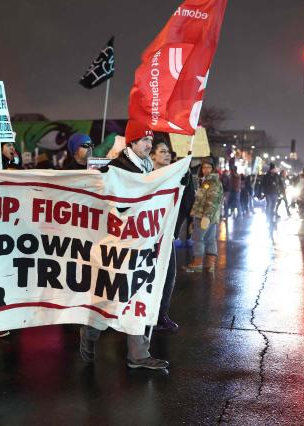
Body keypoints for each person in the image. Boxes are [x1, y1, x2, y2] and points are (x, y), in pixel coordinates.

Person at [80, 120, 168, 370]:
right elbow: (111, 203)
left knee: (138, 294)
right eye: (145, 141)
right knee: (111, 294)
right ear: (131, 142)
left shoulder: (148, 166)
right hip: (119, 243)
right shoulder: (116, 167)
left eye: (151, 141)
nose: (149, 145)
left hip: (143, 243)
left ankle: (138, 354)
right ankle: (90, 331)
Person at [148, 141, 179, 332]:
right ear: (152, 156)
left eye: (169, 152)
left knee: (169, 274)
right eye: (162, 151)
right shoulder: (143, 176)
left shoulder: (176, 175)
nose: (167, 155)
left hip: (167, 235)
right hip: (146, 235)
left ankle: (160, 315)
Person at [184, 159, 224, 273]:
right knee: (210, 239)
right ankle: (210, 264)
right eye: (204, 167)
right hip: (207, 216)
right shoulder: (205, 182)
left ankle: (197, 263)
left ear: (213, 169)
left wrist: (206, 216)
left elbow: (213, 201)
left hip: (204, 217)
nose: (205, 170)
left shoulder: (213, 182)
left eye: (208, 167)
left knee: (198, 239)